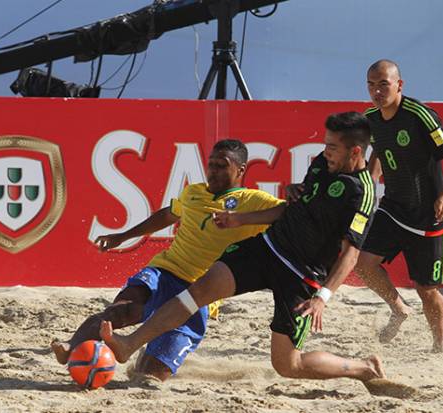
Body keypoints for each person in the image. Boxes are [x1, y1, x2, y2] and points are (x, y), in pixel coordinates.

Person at [98, 112, 418, 398]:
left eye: (333, 147)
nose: (325, 151)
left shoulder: (361, 193)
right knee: (200, 289)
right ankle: (129, 345)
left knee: (288, 365)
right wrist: (240, 220)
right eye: (326, 143)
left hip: (303, 276)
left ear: (356, 151)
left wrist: (323, 296)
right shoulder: (323, 163)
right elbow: (287, 210)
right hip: (269, 247)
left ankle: (363, 368)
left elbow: (350, 254)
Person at [51, 139, 283, 381]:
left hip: (200, 291)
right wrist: (123, 236)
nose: (213, 170)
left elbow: (287, 211)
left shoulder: (253, 200)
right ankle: (71, 345)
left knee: (149, 374)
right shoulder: (193, 192)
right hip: (165, 271)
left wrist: (298, 193)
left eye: (221, 165)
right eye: (211, 164)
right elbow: (167, 215)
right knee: (122, 309)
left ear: (241, 170)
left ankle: (145, 354)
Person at [356, 59, 443, 354]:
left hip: (428, 213)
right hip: (393, 207)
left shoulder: (419, 115)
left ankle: (439, 347)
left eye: (383, 84)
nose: (377, 91)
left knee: (426, 289)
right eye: (371, 85)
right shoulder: (370, 118)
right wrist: (367, 184)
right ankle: (398, 308)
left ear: (399, 85)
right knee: (363, 264)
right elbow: (376, 155)